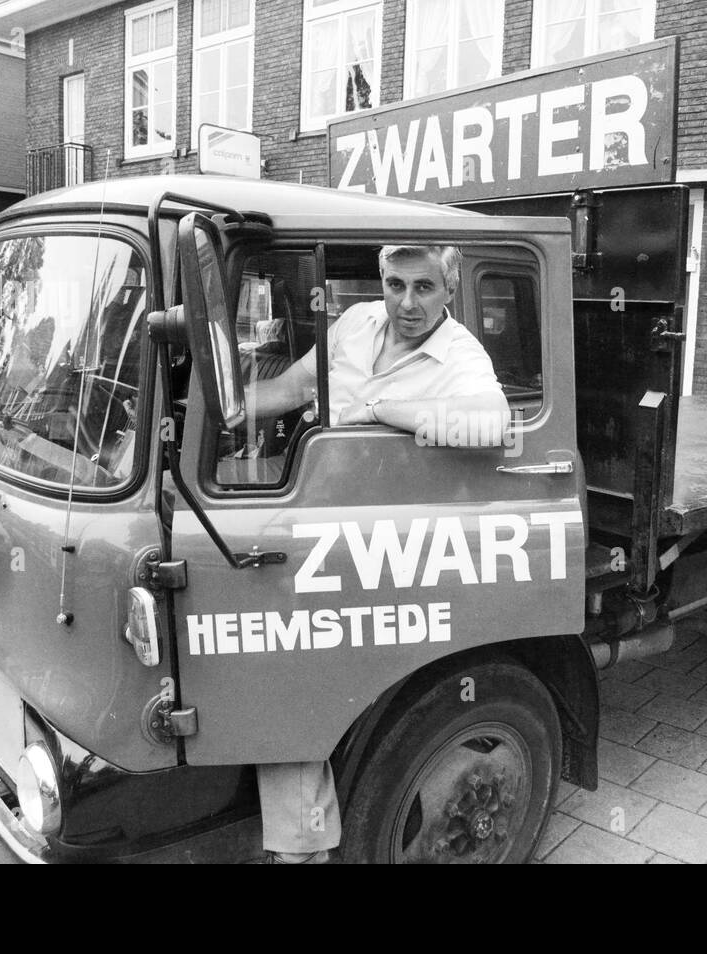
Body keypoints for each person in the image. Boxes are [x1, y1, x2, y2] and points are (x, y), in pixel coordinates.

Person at [250, 244, 509, 863]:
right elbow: (290, 388)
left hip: (373, 528)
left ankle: (303, 849)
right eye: (396, 284)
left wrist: (380, 410)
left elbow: (494, 425)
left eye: (425, 287)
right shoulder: (357, 322)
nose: (407, 303)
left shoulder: (459, 353)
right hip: (310, 504)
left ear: (450, 290)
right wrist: (226, 406)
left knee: (288, 656)